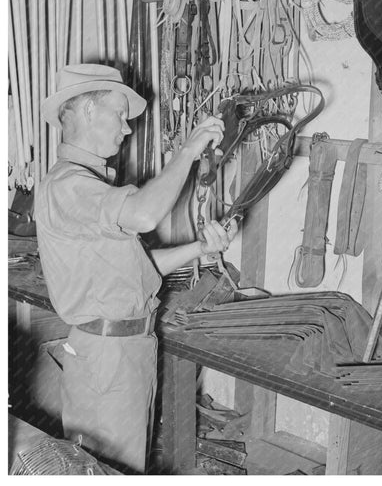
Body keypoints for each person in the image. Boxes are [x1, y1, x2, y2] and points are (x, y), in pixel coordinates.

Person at [34, 64, 238, 474]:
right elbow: (145, 215)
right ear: (88, 111)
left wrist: (201, 247)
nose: (126, 130)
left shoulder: (88, 189)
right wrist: (187, 151)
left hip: (125, 351)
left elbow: (140, 268)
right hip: (108, 356)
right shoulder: (69, 186)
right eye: (119, 115)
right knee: (109, 473)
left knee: (122, 468)